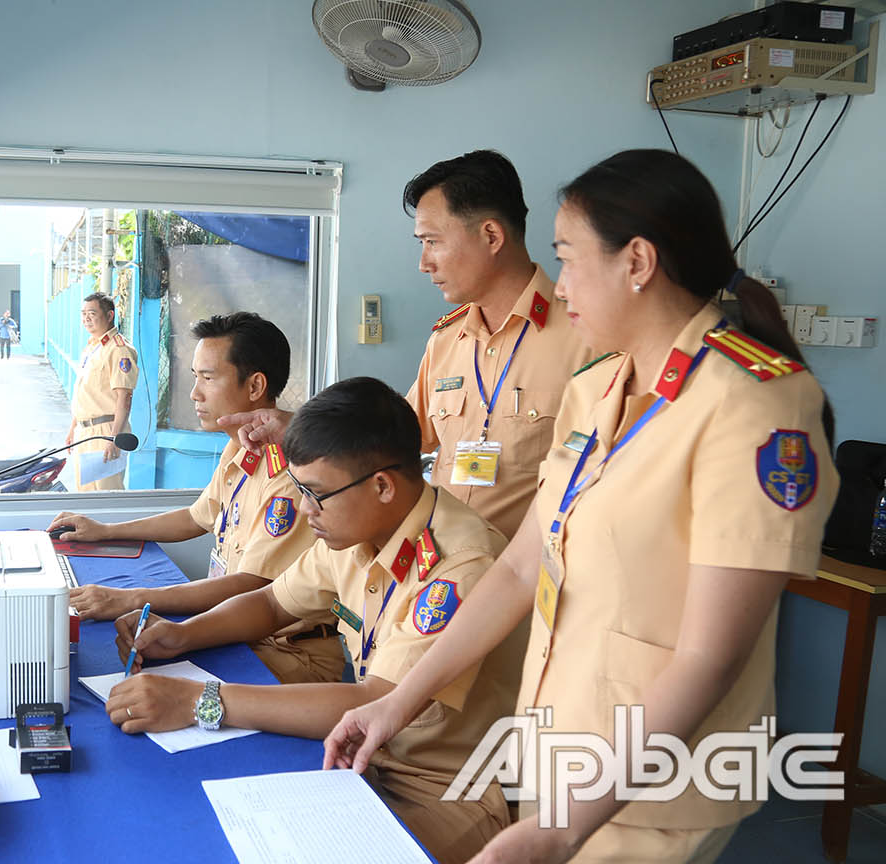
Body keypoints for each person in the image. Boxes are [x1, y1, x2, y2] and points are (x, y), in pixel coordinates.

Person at [323, 150, 840, 864]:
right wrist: (395, 701)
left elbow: (710, 658)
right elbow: (515, 572)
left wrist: (563, 826)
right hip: (558, 749)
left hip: (651, 781)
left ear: (637, 262)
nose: (559, 284)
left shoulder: (758, 405)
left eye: (568, 258)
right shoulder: (597, 388)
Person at [108, 377, 525, 863]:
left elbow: (377, 703)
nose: (306, 510)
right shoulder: (356, 532)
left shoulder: (460, 565)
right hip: (357, 760)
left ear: (383, 486)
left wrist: (202, 700)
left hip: (444, 787)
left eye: (317, 493)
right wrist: (182, 636)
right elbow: (271, 604)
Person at [227, 151, 592, 538]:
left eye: (432, 242)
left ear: (491, 236)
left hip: (529, 581)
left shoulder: (584, 337)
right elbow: (396, 438)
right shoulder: (447, 341)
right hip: (442, 574)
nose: (423, 262)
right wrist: (295, 427)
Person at [50, 312, 342, 684]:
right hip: (241, 631)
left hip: (287, 654)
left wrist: (132, 598)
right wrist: (105, 530)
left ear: (255, 387)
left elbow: (248, 585)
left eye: (208, 378)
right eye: (195, 377)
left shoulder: (289, 475)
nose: (195, 393)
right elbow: (195, 517)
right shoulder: (239, 449)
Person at [67, 292, 138, 491]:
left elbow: (124, 397)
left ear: (109, 316)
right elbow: (86, 392)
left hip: (107, 429)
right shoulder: (92, 347)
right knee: (86, 495)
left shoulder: (119, 349)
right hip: (86, 431)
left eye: (92, 313)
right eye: (83, 314)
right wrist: (74, 426)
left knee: (107, 495)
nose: (86, 318)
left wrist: (114, 438)